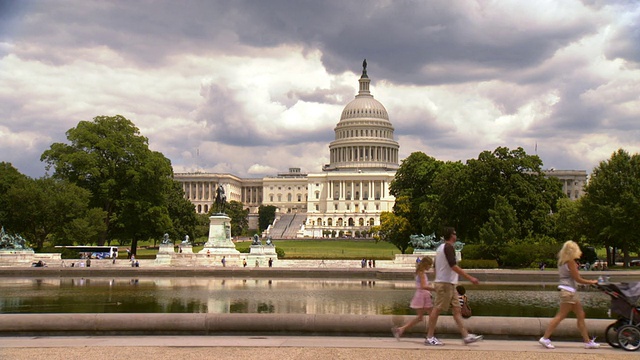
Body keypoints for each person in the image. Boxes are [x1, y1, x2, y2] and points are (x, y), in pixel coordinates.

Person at [425, 227, 482, 346]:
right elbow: (453, 266)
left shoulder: (440, 248)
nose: (456, 236)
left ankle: (466, 336)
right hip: (445, 284)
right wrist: (470, 278)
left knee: (457, 310)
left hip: (448, 284)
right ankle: (430, 337)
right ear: (451, 236)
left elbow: (435, 267)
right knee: (437, 309)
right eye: (455, 234)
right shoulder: (449, 247)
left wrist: (436, 280)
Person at [538, 240, 600, 349]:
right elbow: (578, 278)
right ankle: (545, 338)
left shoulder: (562, 261)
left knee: (580, 315)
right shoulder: (570, 262)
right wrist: (592, 282)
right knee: (561, 316)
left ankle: (587, 341)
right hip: (569, 292)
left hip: (568, 291)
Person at [392, 256, 434, 340]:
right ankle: (430, 335)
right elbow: (423, 286)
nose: (430, 267)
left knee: (421, 317)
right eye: (430, 265)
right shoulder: (421, 273)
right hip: (423, 295)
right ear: (426, 264)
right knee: (432, 316)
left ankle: (401, 329)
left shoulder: (420, 272)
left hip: (421, 295)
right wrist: (435, 289)